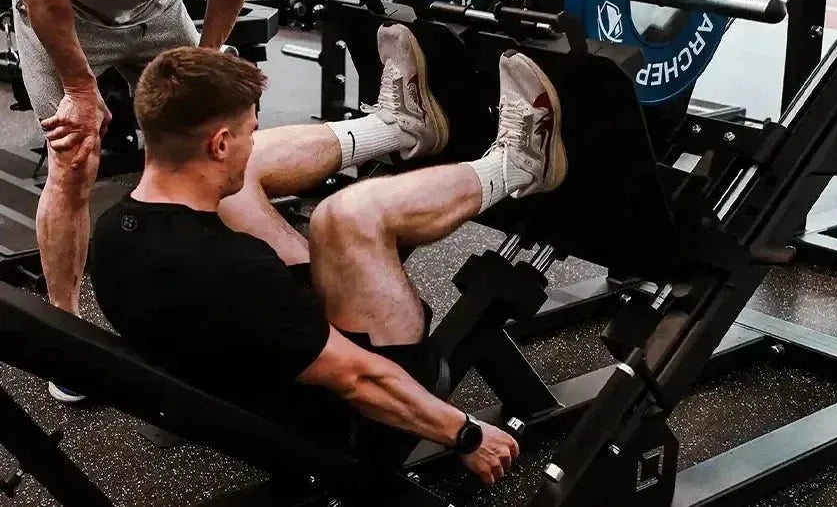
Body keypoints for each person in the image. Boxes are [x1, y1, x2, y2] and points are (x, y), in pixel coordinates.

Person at [89, 25, 568, 485]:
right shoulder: (236, 273)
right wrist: (465, 434)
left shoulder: (111, 231)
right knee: (347, 215)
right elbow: (357, 378)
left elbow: (240, 291)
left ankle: (397, 127)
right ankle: (517, 166)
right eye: (249, 131)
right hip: (352, 416)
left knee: (246, 178)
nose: (253, 139)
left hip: (251, 359)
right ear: (219, 144)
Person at [11, 0, 270, 389]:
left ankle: (204, 294)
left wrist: (208, 55)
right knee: (75, 156)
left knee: (207, 137)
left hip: (156, 6)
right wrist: (80, 88)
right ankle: (66, 333)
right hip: (63, 9)